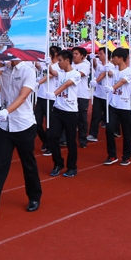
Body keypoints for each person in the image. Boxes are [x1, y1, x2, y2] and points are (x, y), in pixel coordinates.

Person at [0, 59, 42, 217]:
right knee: (0, 166)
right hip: (5, 126)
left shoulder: (28, 71)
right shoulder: (4, 71)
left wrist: (7, 110)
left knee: (28, 164)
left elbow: (23, 96)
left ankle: (34, 197)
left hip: (23, 125)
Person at [48, 49, 81, 177]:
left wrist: (54, 93)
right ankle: (58, 163)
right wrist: (48, 63)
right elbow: (52, 72)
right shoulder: (60, 73)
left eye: (60, 60)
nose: (59, 63)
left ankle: (72, 167)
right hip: (57, 110)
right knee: (53, 136)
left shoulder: (75, 74)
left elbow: (66, 85)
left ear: (67, 60)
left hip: (70, 112)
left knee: (71, 141)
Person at [103, 48, 131, 166]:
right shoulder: (114, 70)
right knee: (109, 129)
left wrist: (112, 88)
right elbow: (109, 73)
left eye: (114, 57)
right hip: (113, 105)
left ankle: (126, 156)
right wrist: (105, 68)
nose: (112, 60)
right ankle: (112, 155)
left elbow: (122, 82)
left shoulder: (129, 72)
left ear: (121, 58)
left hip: (125, 106)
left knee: (126, 132)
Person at [88, 47, 110, 143]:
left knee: (108, 116)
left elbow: (104, 74)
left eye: (101, 53)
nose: (99, 55)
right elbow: (95, 66)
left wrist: (96, 81)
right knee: (95, 115)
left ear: (106, 55)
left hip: (107, 95)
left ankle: (111, 132)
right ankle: (93, 134)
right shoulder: (99, 64)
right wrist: (92, 58)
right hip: (98, 94)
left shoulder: (110, 66)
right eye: (98, 53)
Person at [72, 47, 92, 149]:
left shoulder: (85, 65)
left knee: (82, 119)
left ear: (82, 56)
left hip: (82, 96)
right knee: (70, 118)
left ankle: (82, 140)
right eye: (73, 53)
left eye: (76, 54)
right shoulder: (70, 65)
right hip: (71, 95)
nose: (74, 55)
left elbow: (80, 74)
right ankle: (66, 139)